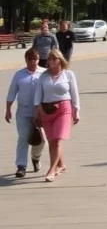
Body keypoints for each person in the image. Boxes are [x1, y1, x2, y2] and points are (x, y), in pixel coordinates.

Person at [33, 49, 80, 182]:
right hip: (46, 109)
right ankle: (61, 165)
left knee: (57, 139)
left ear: (60, 60)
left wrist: (77, 111)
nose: (51, 61)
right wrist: (37, 111)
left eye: (54, 58)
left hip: (64, 108)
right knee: (52, 140)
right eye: (49, 59)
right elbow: (38, 94)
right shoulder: (43, 76)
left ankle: (51, 170)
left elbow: (74, 93)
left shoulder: (68, 74)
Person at [5, 49, 46, 178]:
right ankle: (21, 166)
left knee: (41, 139)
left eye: (36, 59)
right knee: (23, 137)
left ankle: (36, 158)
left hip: (40, 112)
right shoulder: (19, 75)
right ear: (26, 60)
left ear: (39, 60)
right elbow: (12, 92)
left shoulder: (44, 73)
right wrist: (8, 109)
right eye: (31, 59)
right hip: (23, 111)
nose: (33, 62)